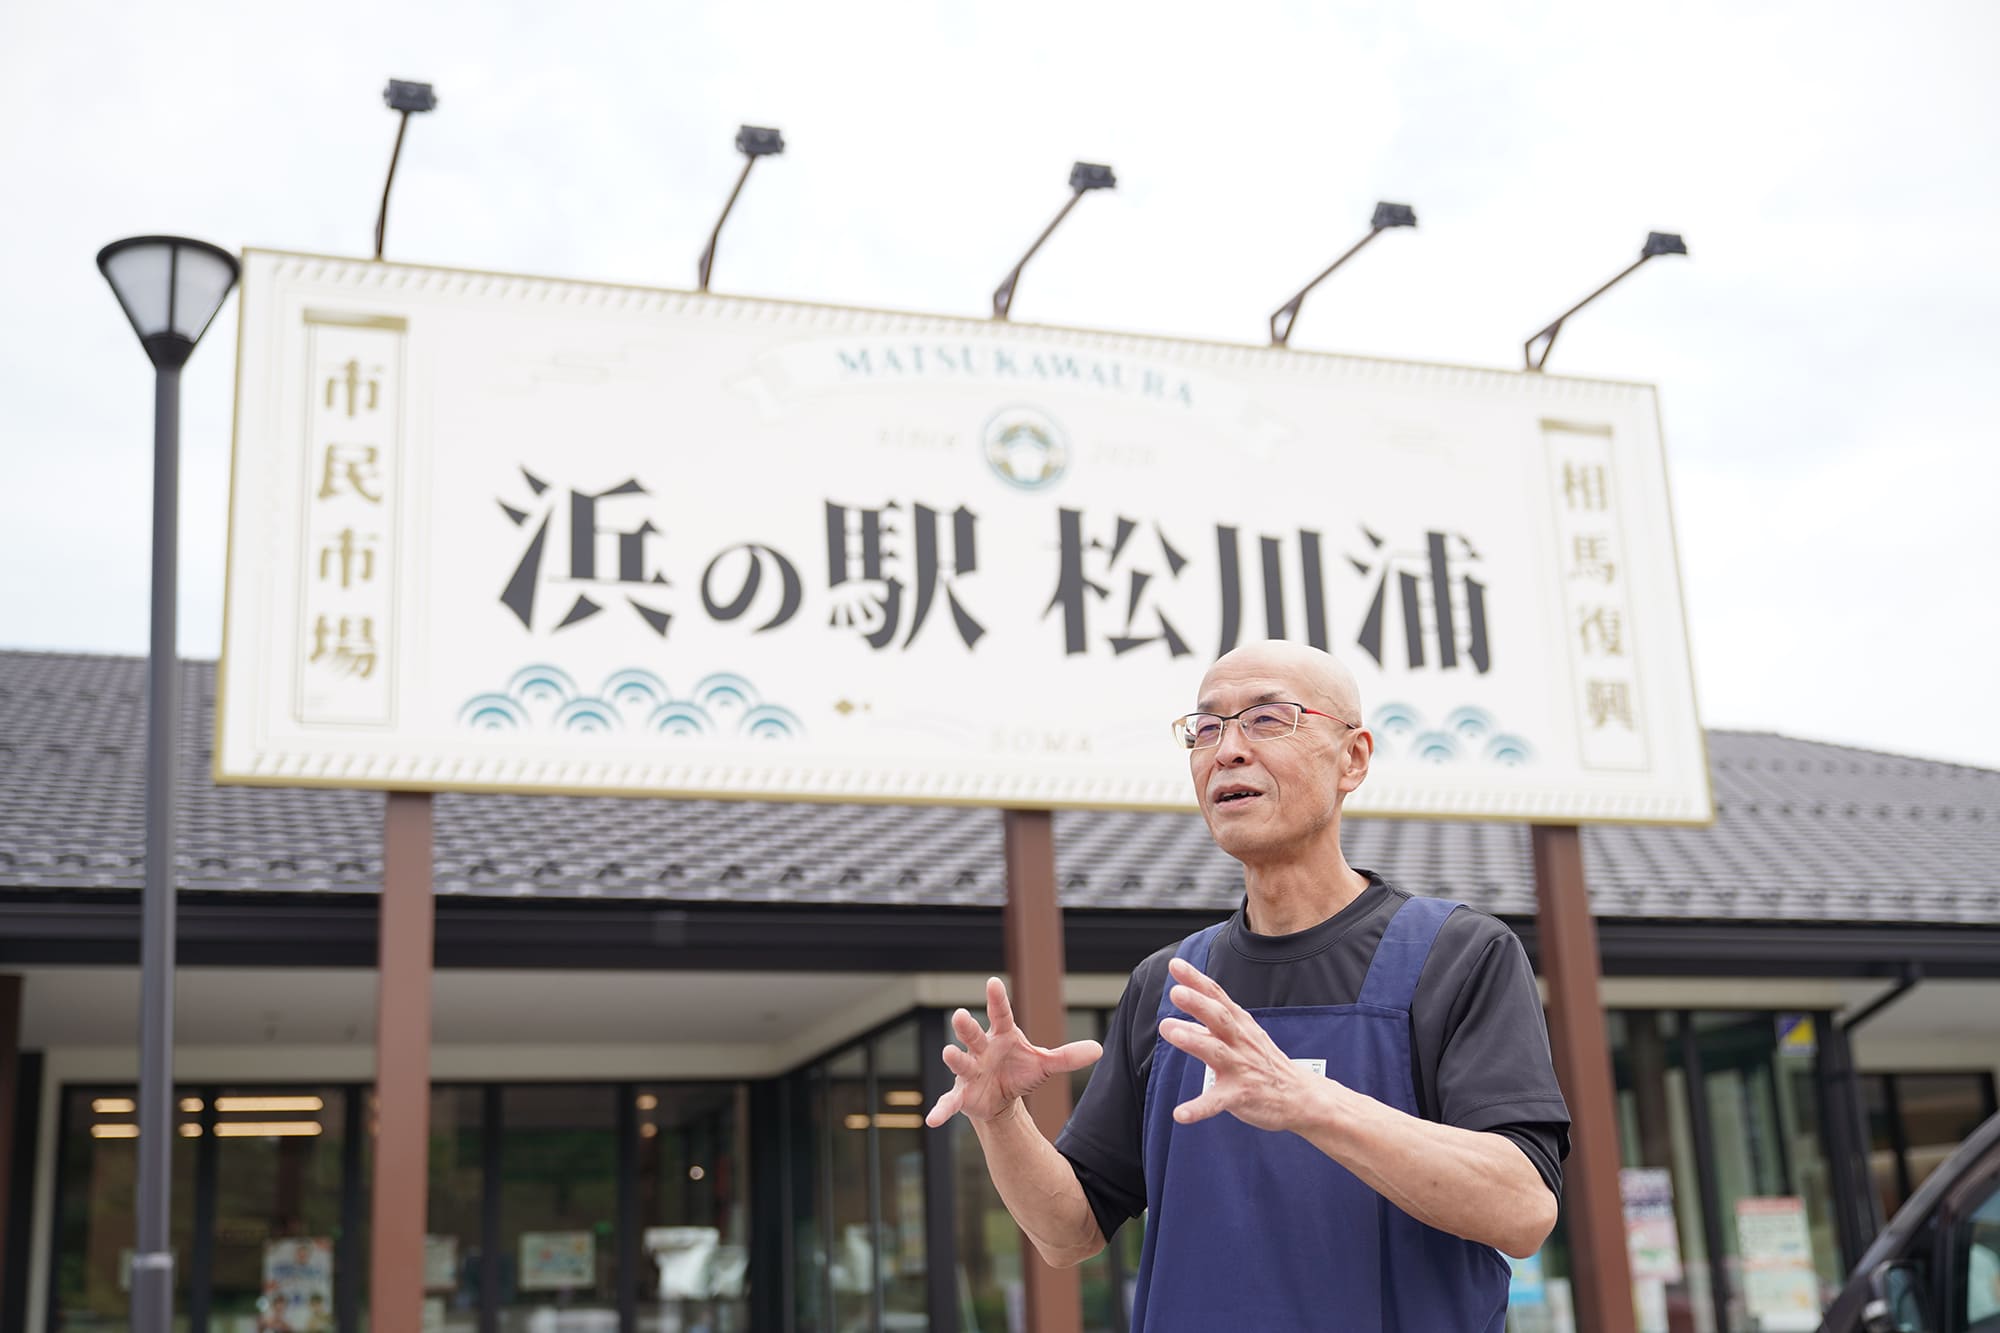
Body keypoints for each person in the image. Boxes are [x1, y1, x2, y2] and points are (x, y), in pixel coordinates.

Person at [927, 640, 1570, 1331]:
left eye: (1267, 719)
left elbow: (1523, 1207)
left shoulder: (1455, 955)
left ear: (1353, 757)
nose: (1227, 749)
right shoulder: (1170, 985)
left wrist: (1306, 1100)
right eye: (1206, 728)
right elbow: (1069, 1232)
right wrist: (1000, 1119)